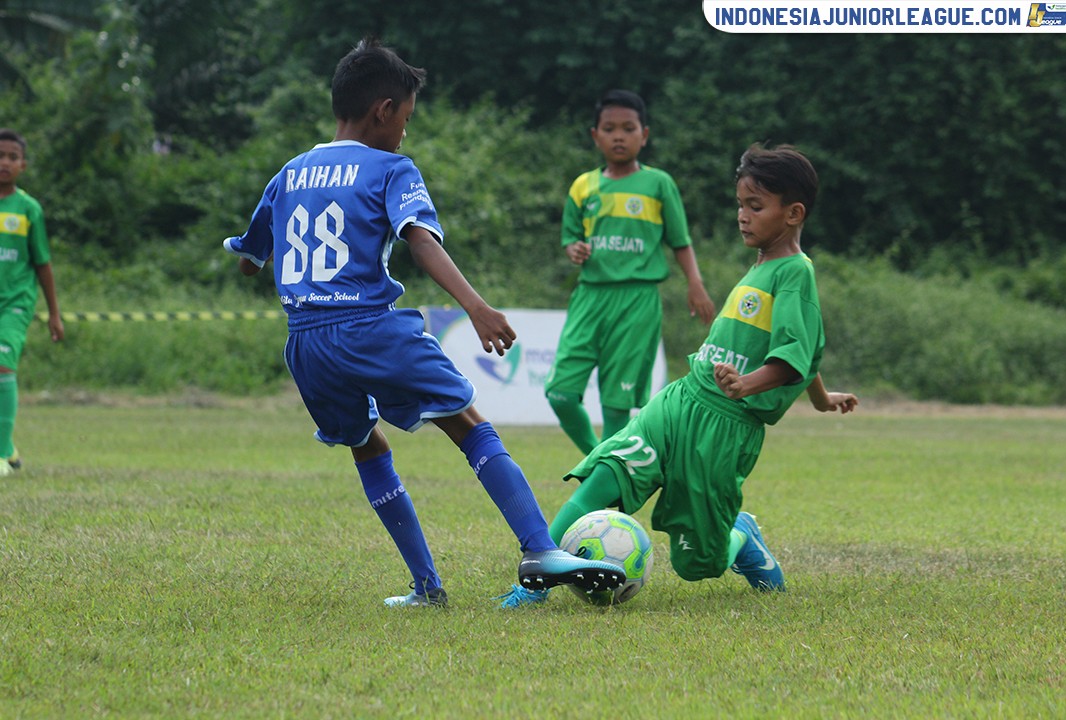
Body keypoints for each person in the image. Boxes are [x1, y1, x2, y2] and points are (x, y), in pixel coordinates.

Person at [222, 39, 626, 608]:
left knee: (367, 444)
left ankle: (426, 587)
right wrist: (476, 307)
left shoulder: (289, 173)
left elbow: (248, 259)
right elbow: (421, 240)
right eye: (406, 120)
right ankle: (539, 547)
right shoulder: (391, 167)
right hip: (368, 325)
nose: (405, 133)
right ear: (384, 110)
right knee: (468, 422)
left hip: (306, 342)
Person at [500, 144, 858, 607]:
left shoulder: (793, 274)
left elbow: (796, 352)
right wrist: (821, 397)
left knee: (699, 564)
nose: (742, 216)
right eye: (740, 205)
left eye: (755, 206)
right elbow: (802, 350)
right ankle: (532, 586)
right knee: (605, 474)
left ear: (793, 213)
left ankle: (742, 537)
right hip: (680, 402)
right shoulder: (762, 266)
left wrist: (750, 385)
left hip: (725, 429)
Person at [545, 89, 716, 456]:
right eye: (609, 128)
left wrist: (695, 284)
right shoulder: (583, 186)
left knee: (616, 405)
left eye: (628, 128)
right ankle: (599, 461)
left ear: (644, 135)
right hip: (590, 297)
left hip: (638, 299)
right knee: (559, 392)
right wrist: (573, 249)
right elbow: (571, 238)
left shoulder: (658, 185)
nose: (619, 136)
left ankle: (609, 483)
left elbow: (680, 241)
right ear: (595, 135)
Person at [0, 129, 64, 477]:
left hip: (15, 303)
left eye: (11, 157)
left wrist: (54, 314)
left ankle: (0, 453)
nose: (4, 163)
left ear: (22, 165)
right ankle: (8, 448)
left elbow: (42, 263)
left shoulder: (28, 209)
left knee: (2, 366)